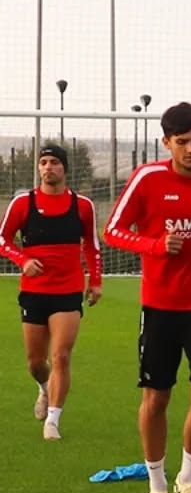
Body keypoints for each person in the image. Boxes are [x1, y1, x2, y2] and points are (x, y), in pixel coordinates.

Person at [103, 102, 191, 493]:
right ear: (166, 142)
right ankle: (157, 486)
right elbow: (112, 231)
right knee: (157, 398)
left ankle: (189, 479)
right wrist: (155, 245)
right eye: (183, 142)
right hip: (161, 306)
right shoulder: (148, 178)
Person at [0, 142, 102, 439]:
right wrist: (23, 260)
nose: (48, 168)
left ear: (65, 168)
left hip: (67, 291)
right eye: (43, 162)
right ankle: (44, 388)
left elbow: (92, 245)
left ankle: (53, 421)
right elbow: (3, 240)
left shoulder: (83, 206)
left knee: (61, 356)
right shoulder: (23, 203)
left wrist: (95, 281)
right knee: (35, 362)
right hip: (34, 292)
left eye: (54, 162)